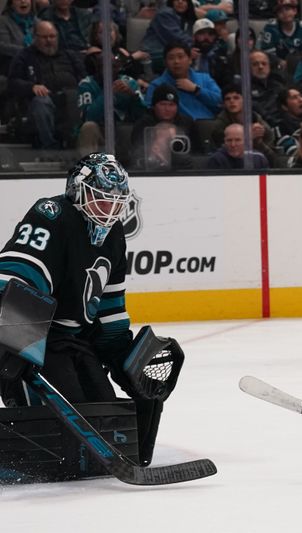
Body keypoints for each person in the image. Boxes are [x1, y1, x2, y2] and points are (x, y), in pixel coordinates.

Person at [0, 153, 186, 467]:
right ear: (77, 190)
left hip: (75, 342)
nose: (109, 211)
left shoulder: (114, 236)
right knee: (67, 437)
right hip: (36, 342)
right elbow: (17, 271)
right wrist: (14, 339)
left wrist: (124, 361)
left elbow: (111, 309)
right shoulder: (52, 214)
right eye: (101, 200)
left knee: (106, 418)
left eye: (116, 203)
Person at [7, 20, 85, 150]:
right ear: (35, 38)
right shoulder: (24, 56)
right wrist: (31, 87)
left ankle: (74, 145)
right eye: (44, 37)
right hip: (43, 100)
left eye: (52, 36)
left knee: (76, 97)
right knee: (41, 102)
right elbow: (13, 82)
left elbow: (84, 78)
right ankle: (49, 146)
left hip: (71, 98)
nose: (49, 40)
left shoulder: (70, 55)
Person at [145, 41, 222, 120]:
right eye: (171, 58)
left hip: (208, 123)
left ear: (190, 60)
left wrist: (196, 90)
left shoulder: (204, 78)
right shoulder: (157, 85)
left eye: (180, 57)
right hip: (177, 127)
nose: (176, 61)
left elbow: (220, 101)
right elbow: (150, 110)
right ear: (165, 63)